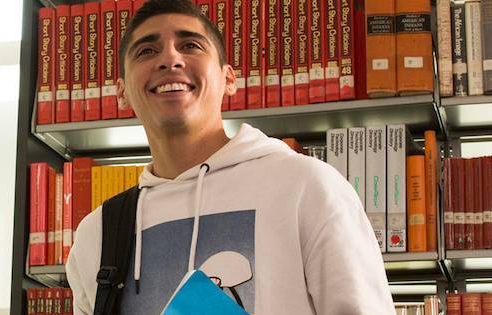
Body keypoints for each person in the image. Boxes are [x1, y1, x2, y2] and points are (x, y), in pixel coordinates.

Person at [64, 1, 394, 313]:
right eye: (146, 51)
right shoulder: (98, 233)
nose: (170, 59)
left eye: (190, 45)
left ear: (229, 79)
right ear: (121, 92)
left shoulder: (306, 186)